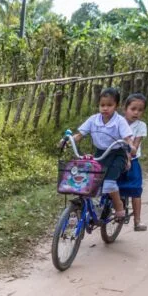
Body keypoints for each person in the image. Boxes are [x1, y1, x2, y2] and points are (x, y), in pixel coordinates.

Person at [62, 87, 134, 223]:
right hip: (100, 153)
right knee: (90, 183)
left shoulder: (119, 121)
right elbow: (80, 134)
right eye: (102, 105)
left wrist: (131, 145)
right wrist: (68, 141)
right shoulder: (93, 119)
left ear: (116, 106)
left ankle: (119, 206)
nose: (105, 108)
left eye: (109, 105)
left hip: (117, 154)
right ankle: (94, 209)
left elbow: (127, 138)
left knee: (108, 184)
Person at [118, 93, 148, 231]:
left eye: (140, 110)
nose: (136, 112)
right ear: (125, 108)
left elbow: (135, 145)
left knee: (135, 190)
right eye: (133, 108)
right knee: (107, 185)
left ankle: (137, 221)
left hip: (132, 160)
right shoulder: (117, 121)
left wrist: (129, 158)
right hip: (116, 158)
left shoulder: (141, 126)